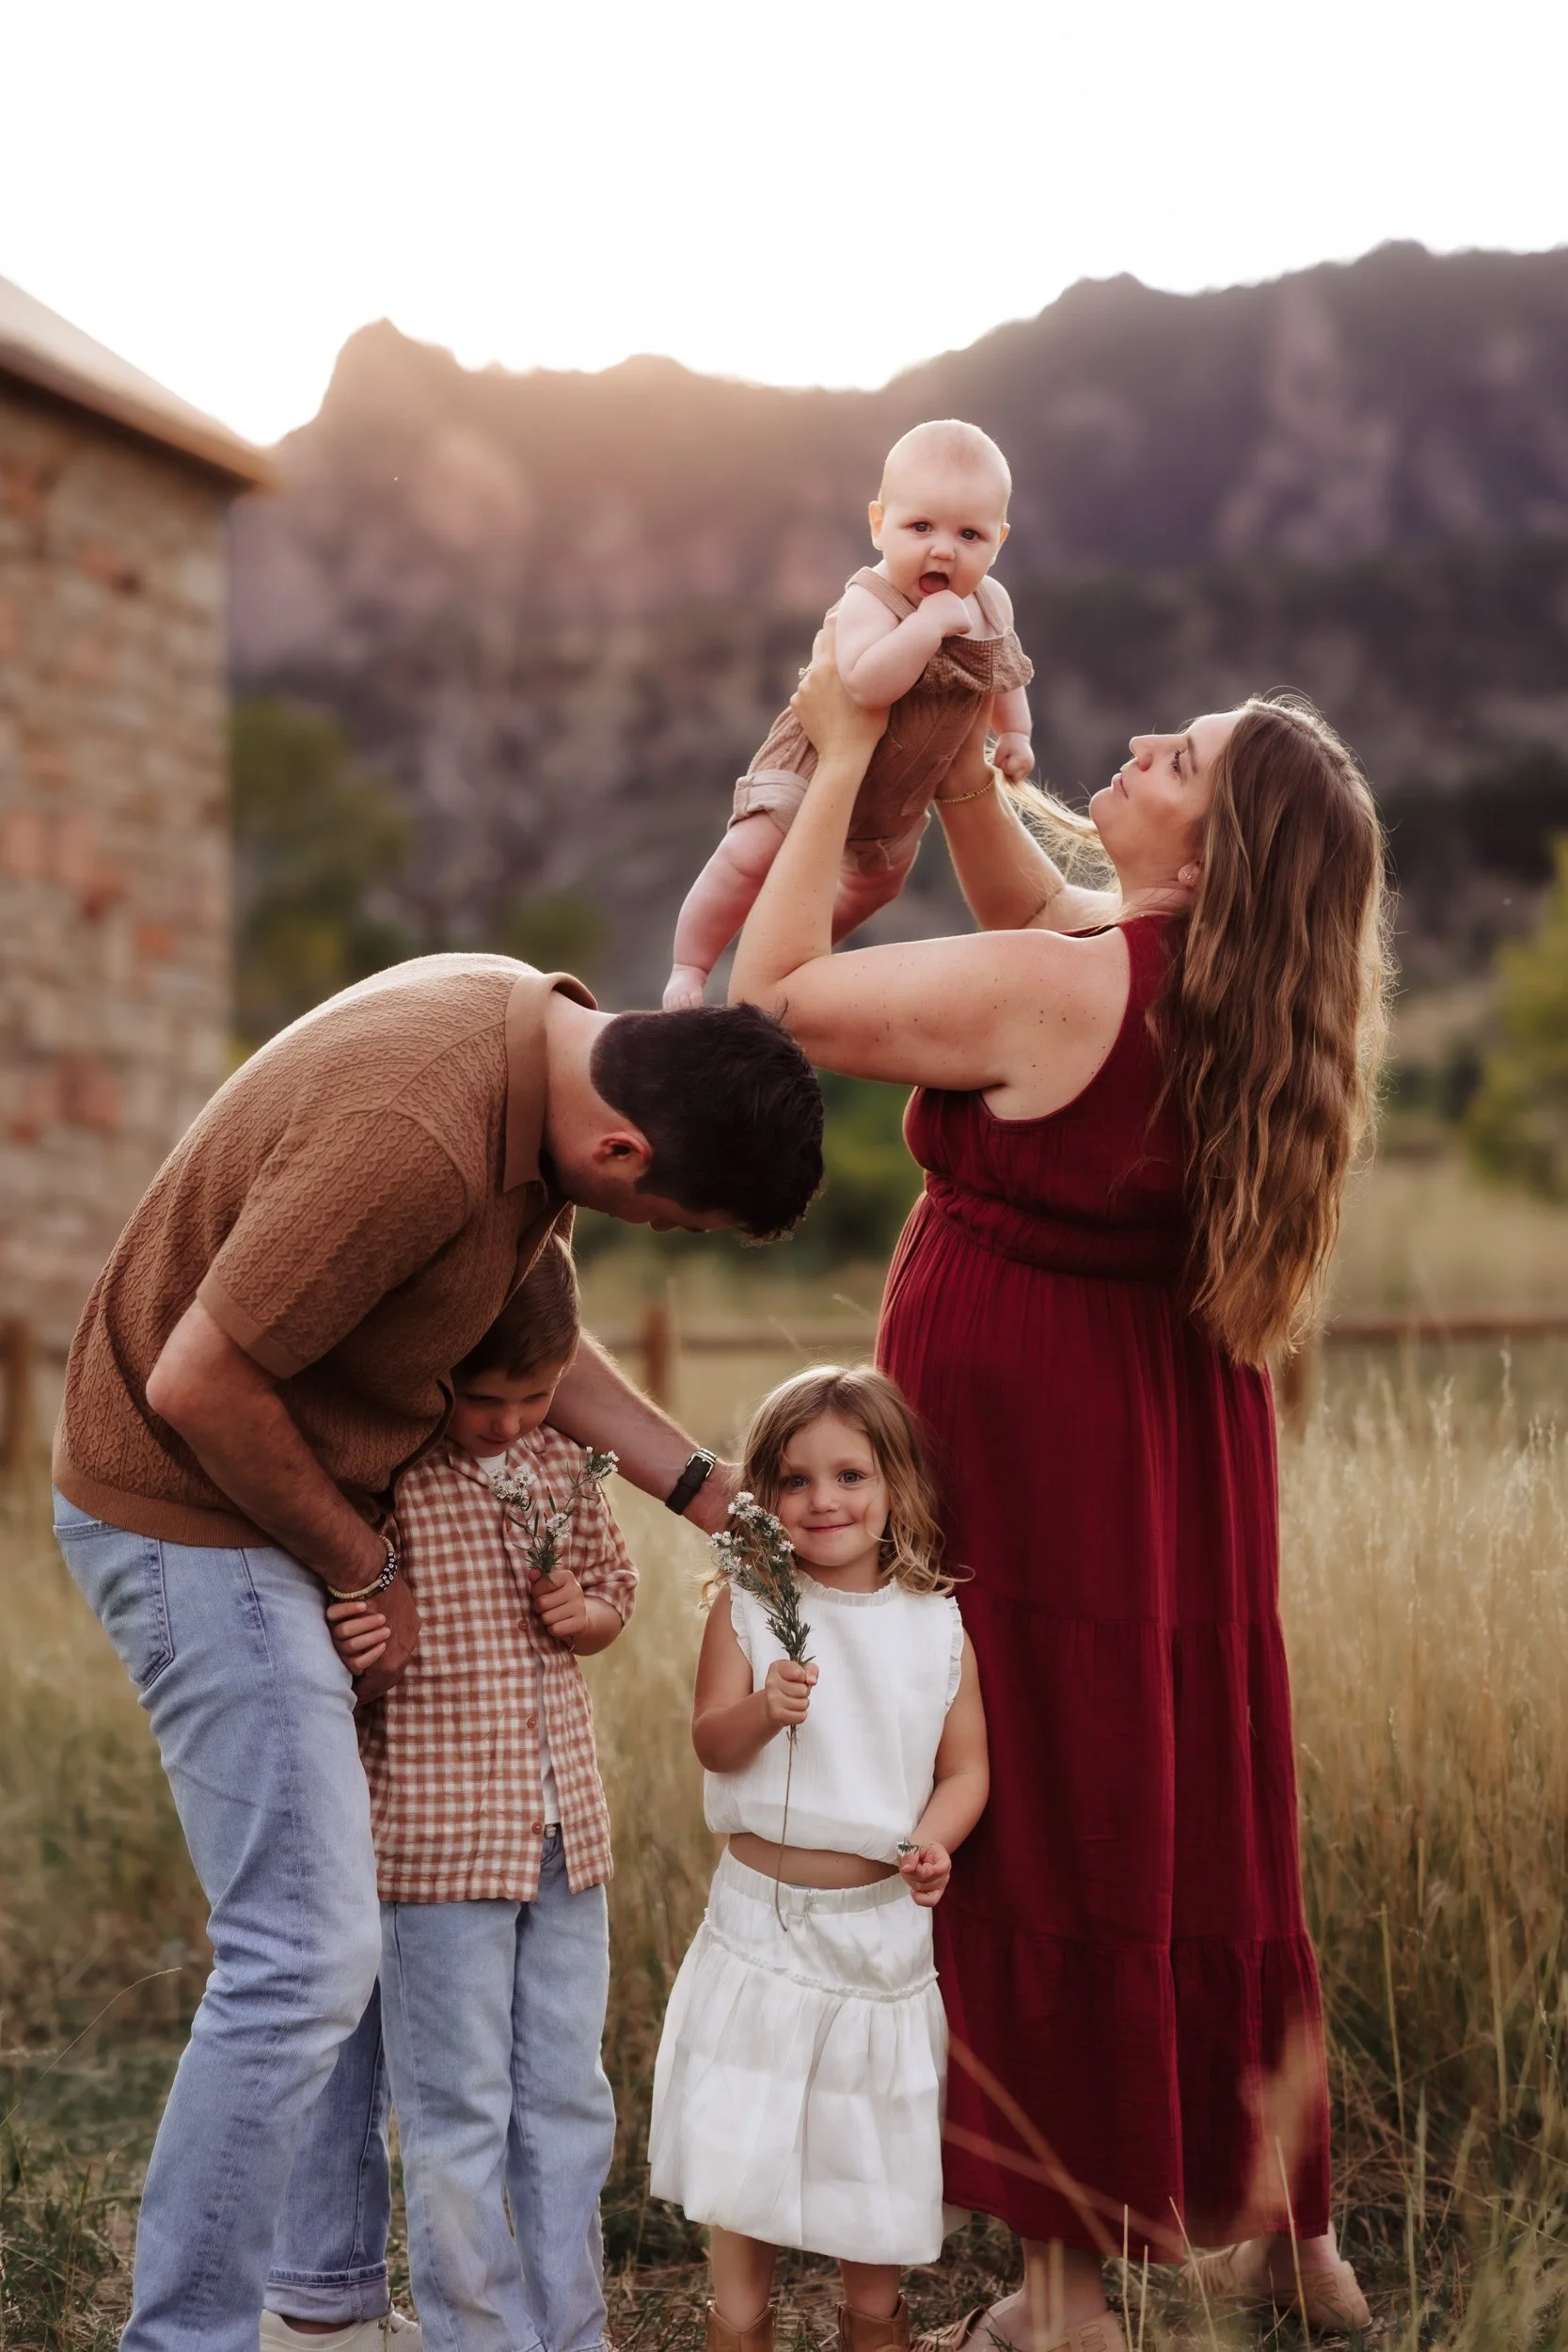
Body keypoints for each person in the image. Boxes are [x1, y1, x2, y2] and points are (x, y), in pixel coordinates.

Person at [728, 644, 1386, 2348]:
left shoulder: (1059, 988)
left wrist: (855, 723)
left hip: (1037, 1440)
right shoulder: (1219, 994)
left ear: (1209, 855)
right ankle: (1286, 2243)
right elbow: (1066, 921)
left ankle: (1061, 2303)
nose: (1149, 740)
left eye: (1186, 760)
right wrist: (963, 781)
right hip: (1169, 1434)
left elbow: (779, 992)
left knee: (1044, 1786)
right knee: (1186, 1781)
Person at [51, 952, 823, 2352]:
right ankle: (182, 2340)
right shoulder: (417, 1134)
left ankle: (324, 2309)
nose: (651, 1232)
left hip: (282, 1489)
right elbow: (196, 1381)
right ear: (620, 1148)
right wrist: (368, 1567)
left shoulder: (539, 1059)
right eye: (666, 1213)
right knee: (303, 1952)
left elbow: (536, 1340)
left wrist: (706, 1491)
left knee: (333, 1926)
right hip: (188, 1512)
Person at [293, 1242, 632, 2352]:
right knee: (456, 2113)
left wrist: (585, 1613)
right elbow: (344, 1647)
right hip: (438, 1858)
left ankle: (569, 2328)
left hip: (563, 1839)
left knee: (568, 2098)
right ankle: (478, 2335)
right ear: (433, 1369)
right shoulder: (386, 1481)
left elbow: (614, 1591)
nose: (506, 1420)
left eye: (535, 1395)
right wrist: (360, 1645)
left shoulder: (557, 1465)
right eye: (484, 1397)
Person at [649, 1365, 990, 2352]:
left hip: (877, 1930)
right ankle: (738, 2322)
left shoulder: (933, 1623)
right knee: (743, 2135)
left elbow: (965, 1768)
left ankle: (872, 2321)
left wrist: (935, 1840)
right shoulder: (751, 1606)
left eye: (849, 1475)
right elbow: (712, 1738)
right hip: (759, 1924)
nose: (822, 1500)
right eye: (793, 1481)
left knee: (867, 2141)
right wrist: (765, 1707)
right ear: (764, 1497)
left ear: (893, 1488)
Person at [663, 421, 1034, 1009]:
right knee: (746, 856)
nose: (943, 548)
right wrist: (927, 625)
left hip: (897, 789)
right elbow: (864, 686)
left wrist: (1015, 731)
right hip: (816, 759)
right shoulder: (871, 599)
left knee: (875, 887)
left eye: (970, 534)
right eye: (920, 527)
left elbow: (1003, 669)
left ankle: (789, 946)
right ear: (879, 524)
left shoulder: (991, 603)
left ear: (999, 541)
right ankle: (691, 965)